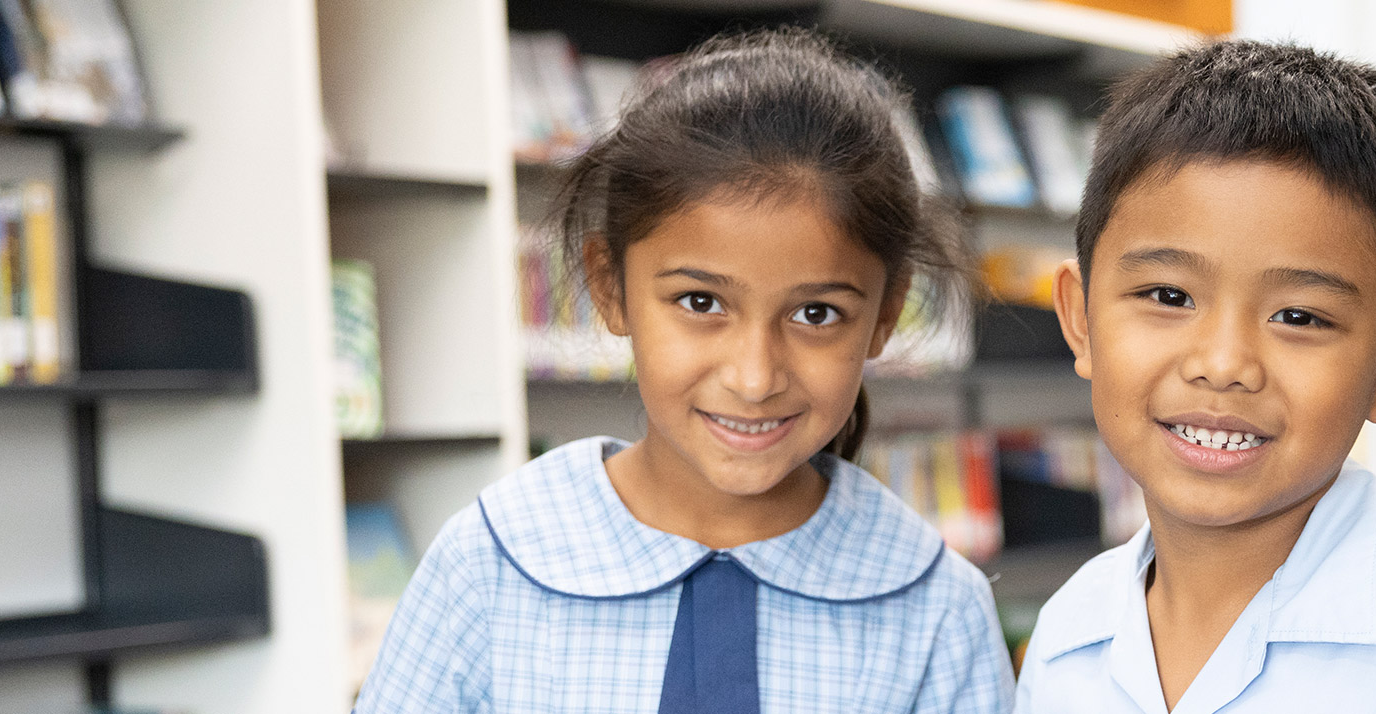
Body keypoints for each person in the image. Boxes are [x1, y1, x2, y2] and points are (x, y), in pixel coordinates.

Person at [353, 28, 1013, 713]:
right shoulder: (487, 563)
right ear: (610, 287)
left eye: (816, 314)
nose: (754, 378)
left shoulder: (937, 608)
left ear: (886, 314)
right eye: (701, 302)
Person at [1016, 39, 1376, 714]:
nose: (1225, 364)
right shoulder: (1066, 637)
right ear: (1081, 318)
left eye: (1298, 316)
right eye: (1169, 296)